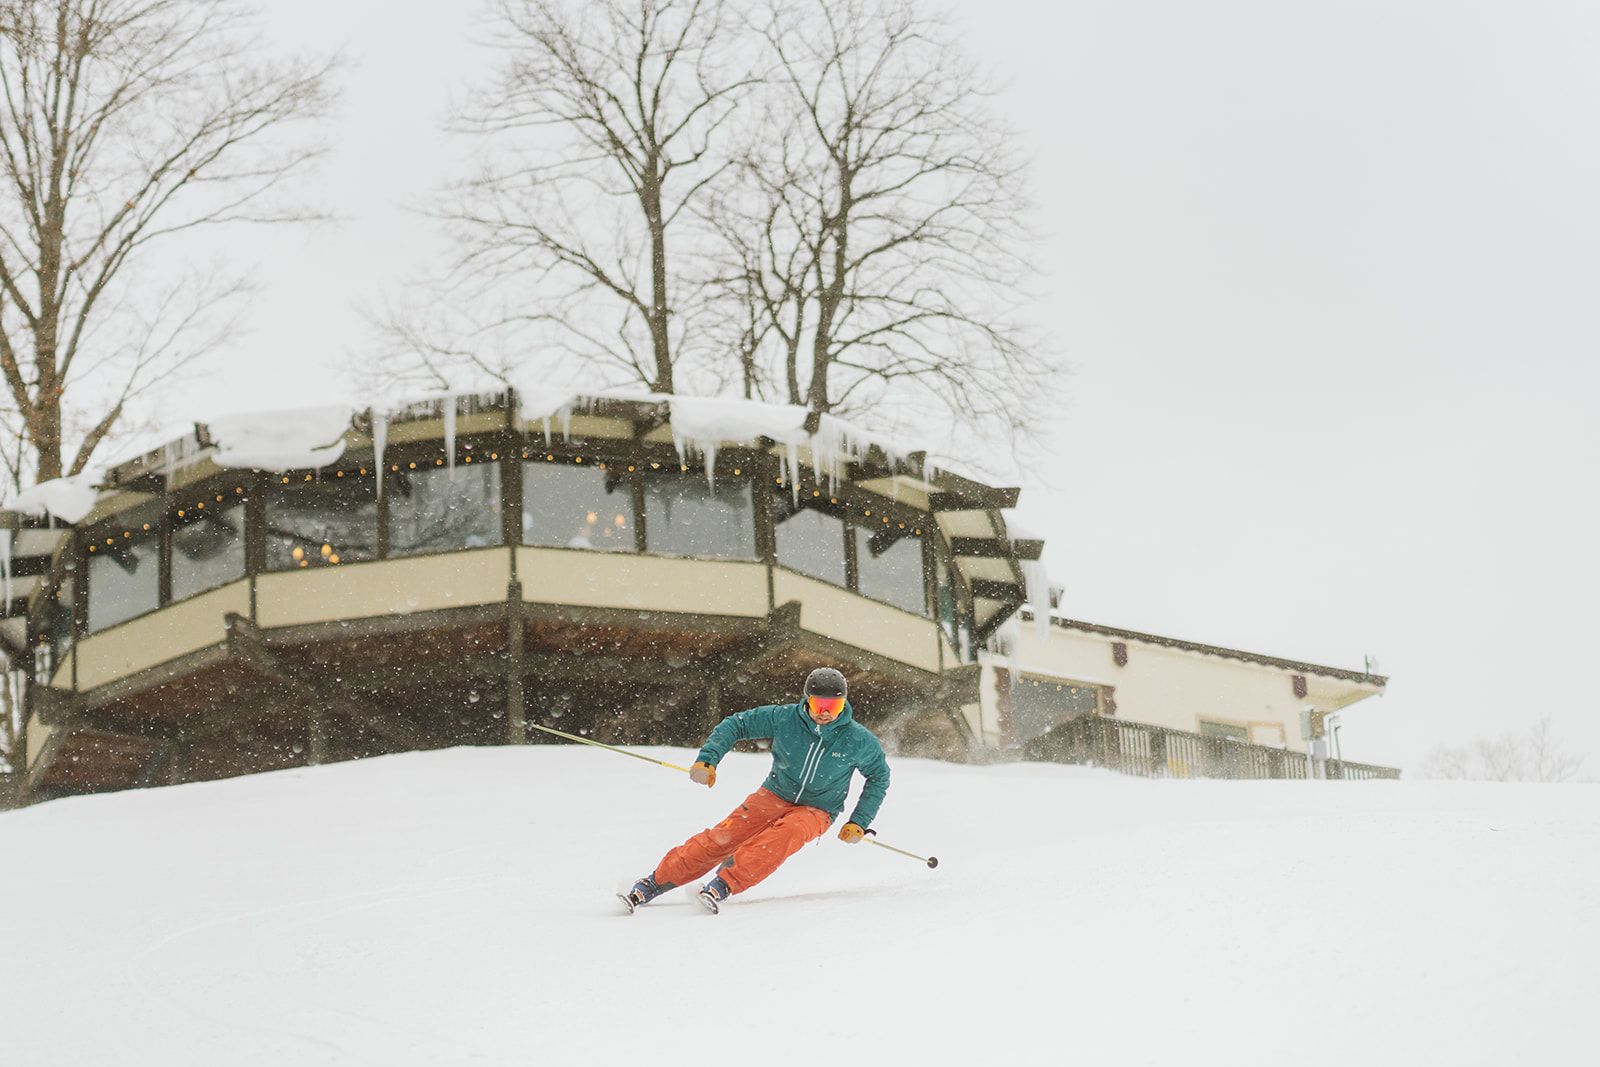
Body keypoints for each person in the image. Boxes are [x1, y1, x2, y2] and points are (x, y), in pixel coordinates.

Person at [622, 667, 891, 913]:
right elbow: (736, 724)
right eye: (819, 704)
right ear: (807, 700)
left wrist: (859, 821)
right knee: (724, 837)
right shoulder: (785, 718)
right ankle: (653, 883)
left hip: (818, 809)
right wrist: (708, 759)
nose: (826, 712)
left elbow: (879, 776)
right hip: (774, 795)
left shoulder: (858, 740)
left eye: (834, 705)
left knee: (788, 832)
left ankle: (724, 883)